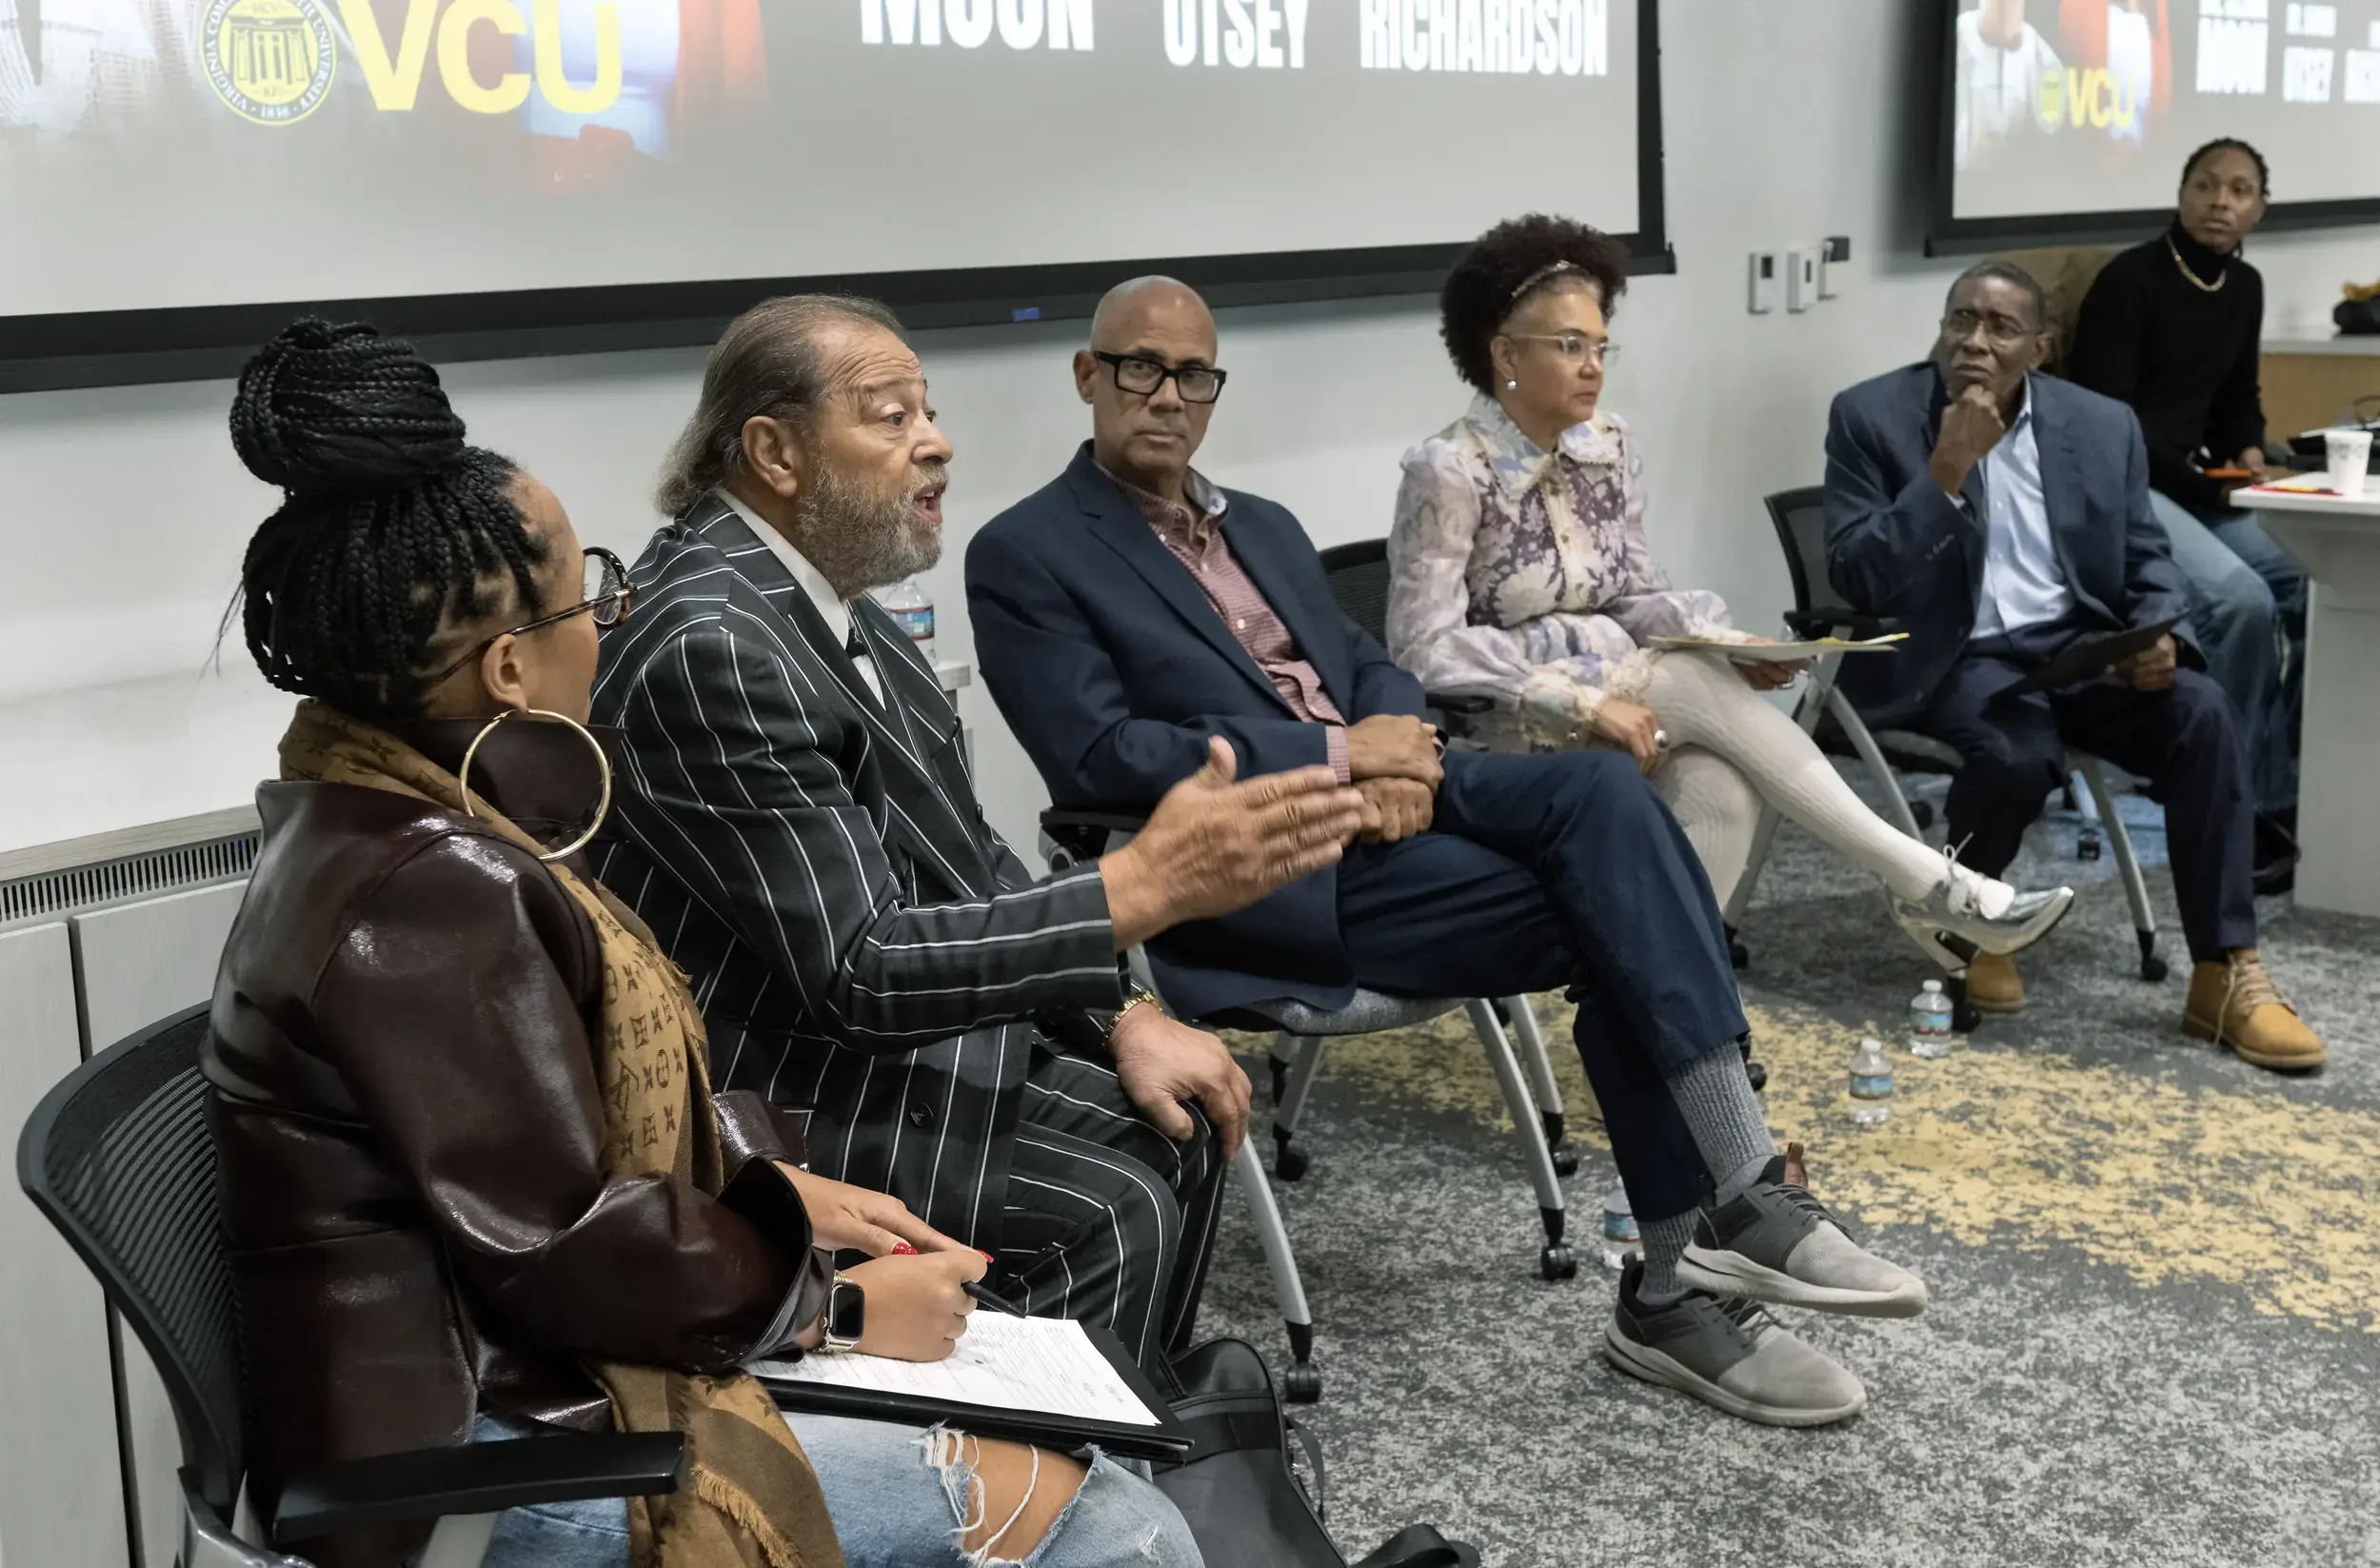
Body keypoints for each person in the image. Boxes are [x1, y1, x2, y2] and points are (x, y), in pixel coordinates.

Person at [204, 319, 1204, 1568]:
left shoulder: (375, 813)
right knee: (1110, 1517)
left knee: (1059, 1445)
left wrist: (771, 1187)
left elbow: (551, 1158)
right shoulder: (429, 888)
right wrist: (831, 1306)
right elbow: (561, 1248)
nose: (612, 617)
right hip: (485, 1454)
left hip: (509, 1375)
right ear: (512, 664)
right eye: (593, 591)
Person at [968, 275, 1935, 1431]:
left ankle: (1710, 1238)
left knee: (1600, 796)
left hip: (1402, 802)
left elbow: (1376, 666)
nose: (1166, 395)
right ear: (1088, 376)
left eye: (1193, 374)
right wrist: (1337, 761)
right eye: (1139, 367)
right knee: (1627, 903)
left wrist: (1403, 753)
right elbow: (1098, 754)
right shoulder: (1024, 550)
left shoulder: (1262, 527)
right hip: (1254, 868)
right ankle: (1695, 1259)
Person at [590, 294, 1368, 1377]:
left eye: (928, 409)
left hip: (866, 1040)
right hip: (773, 1097)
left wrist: (1124, 1010)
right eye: (889, 413)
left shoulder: (832, 603)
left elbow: (967, 858)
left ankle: (1117, 1481)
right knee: (1119, 1200)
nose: (937, 439)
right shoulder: (712, 643)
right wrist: (1128, 893)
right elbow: (857, 969)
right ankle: (1034, 1505)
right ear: (772, 450)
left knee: (1178, 1125)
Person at [1386, 213, 2073, 976]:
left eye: (1600, 345)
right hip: (1499, 735)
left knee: (1724, 794)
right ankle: (1925, 879)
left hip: (1628, 708)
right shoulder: (1447, 468)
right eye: (1569, 346)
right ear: (1505, 355)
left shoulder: (1606, 446)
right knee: (1679, 676)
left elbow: (1636, 597)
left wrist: (1730, 643)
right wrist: (1579, 702)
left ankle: (1668, 1032)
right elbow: (1423, 650)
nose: (1593, 366)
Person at [1824, 264, 2327, 1071]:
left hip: (2078, 648)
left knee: (2202, 714)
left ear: (2041, 347)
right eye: (1961, 320)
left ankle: (2224, 972)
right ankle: (1976, 918)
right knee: (2017, 753)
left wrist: (2156, 635)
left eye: (1999, 328)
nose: (1975, 343)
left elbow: (2146, 556)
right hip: (1960, 656)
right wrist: (1944, 470)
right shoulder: (1871, 416)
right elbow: (1855, 575)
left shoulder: (2100, 425)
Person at [2067, 138, 2306, 879]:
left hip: (2201, 485)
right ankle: (2230, 804)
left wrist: (2252, 454)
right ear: (2181, 193)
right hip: (2126, 487)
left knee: (2314, 578)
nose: (2220, 202)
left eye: (2239, 191)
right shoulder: (2129, 280)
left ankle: (2290, 786)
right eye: (2206, 185)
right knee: (2240, 602)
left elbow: (2238, 399)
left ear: (2259, 209)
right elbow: (2110, 423)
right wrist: (2207, 484)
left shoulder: (2245, 285)